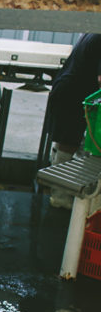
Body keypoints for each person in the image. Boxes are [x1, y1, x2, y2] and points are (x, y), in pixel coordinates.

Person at [44, 34, 101, 208]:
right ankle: (60, 197)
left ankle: (61, 193)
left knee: (66, 143)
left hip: (68, 88)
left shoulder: (94, 29)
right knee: (67, 145)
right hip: (73, 94)